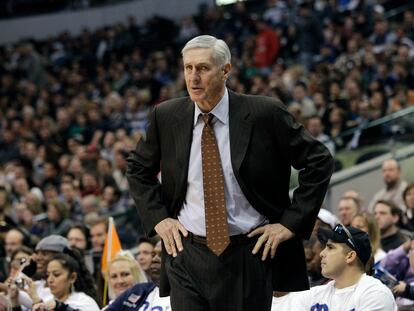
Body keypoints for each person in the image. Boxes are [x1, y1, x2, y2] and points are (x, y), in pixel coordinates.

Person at [126, 34, 334, 310]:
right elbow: (138, 168)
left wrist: (289, 224)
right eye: (188, 68)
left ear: (226, 70)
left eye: (202, 68)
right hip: (186, 252)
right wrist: (159, 219)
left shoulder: (264, 113)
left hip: (249, 252)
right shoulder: (166, 116)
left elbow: (319, 160)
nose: (193, 77)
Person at [289, 225, 397, 310]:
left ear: (350, 256)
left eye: (330, 247)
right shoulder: (312, 295)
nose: (322, 253)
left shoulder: (375, 294)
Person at [9, 248, 99, 311]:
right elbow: (15, 288)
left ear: (72, 277)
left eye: (56, 275)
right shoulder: (48, 299)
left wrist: (36, 300)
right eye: (48, 275)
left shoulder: (84, 302)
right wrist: (14, 302)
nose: (50, 280)